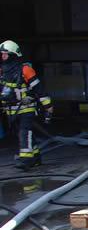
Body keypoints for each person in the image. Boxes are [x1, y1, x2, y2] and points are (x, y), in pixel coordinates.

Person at [0, 40, 53, 170]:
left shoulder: (25, 70)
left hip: (26, 108)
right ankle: (35, 157)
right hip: (11, 111)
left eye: (5, 54)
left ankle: (26, 160)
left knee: (24, 132)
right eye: (1, 54)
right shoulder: (2, 71)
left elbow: (39, 90)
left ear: (13, 54)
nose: (2, 56)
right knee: (23, 133)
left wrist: (48, 107)